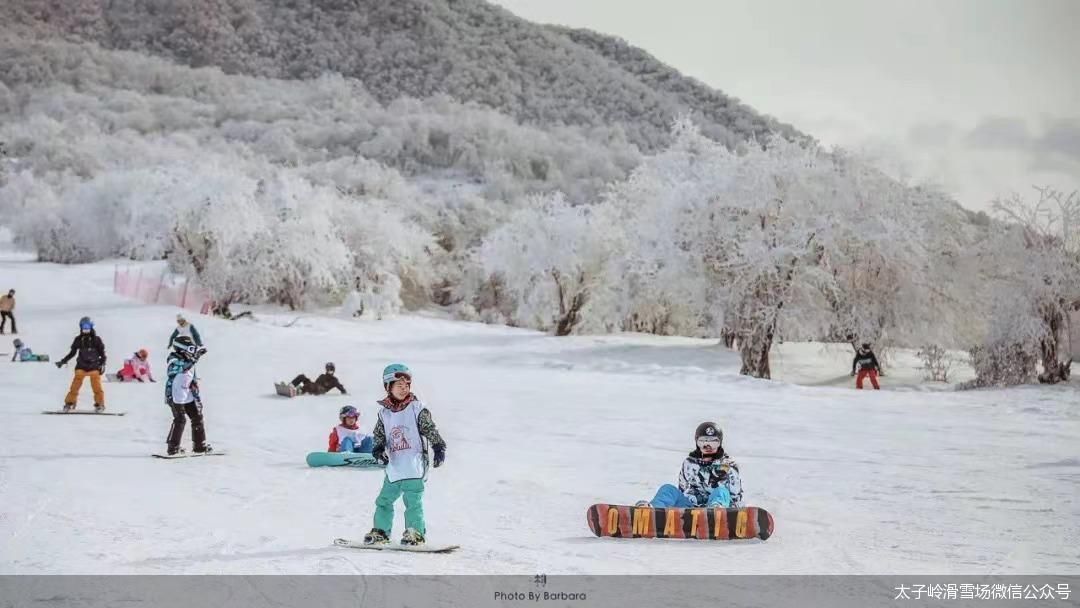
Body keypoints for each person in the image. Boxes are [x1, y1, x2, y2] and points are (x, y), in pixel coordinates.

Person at [363, 364, 446, 546]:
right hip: (394, 468)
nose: (404, 388)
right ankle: (381, 532)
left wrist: (438, 446)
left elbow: (430, 429)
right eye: (399, 385)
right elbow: (379, 435)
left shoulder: (416, 408)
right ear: (388, 387)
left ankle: (415, 532)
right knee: (383, 501)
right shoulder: (384, 413)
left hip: (414, 466)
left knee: (413, 502)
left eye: (406, 385)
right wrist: (377, 450)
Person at [637, 422, 744, 509]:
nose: (708, 446)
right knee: (668, 489)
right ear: (697, 442)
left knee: (721, 491)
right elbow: (682, 489)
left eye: (713, 442)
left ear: (720, 443)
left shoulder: (729, 465)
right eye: (703, 442)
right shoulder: (689, 463)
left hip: (720, 509)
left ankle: (715, 512)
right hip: (691, 509)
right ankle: (653, 510)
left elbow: (736, 496)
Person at [165, 336, 210, 455]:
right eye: (191, 349)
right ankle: (173, 447)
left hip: (188, 393)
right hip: (175, 394)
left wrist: (196, 392)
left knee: (197, 417)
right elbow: (176, 369)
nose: (193, 352)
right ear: (181, 349)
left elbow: (191, 377)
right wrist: (194, 359)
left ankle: (200, 445)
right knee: (180, 419)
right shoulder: (173, 358)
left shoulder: (190, 361)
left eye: (194, 349)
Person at [56, 316, 107, 412]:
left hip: (94, 366)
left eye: (88, 326)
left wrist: (103, 363)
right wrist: (63, 361)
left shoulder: (96, 340)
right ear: (81, 327)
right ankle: (70, 403)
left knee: (96, 386)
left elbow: (102, 353)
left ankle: (100, 404)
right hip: (81, 366)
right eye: (84, 327)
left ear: (91, 327)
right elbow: (72, 353)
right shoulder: (78, 340)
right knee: (75, 385)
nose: (86, 329)